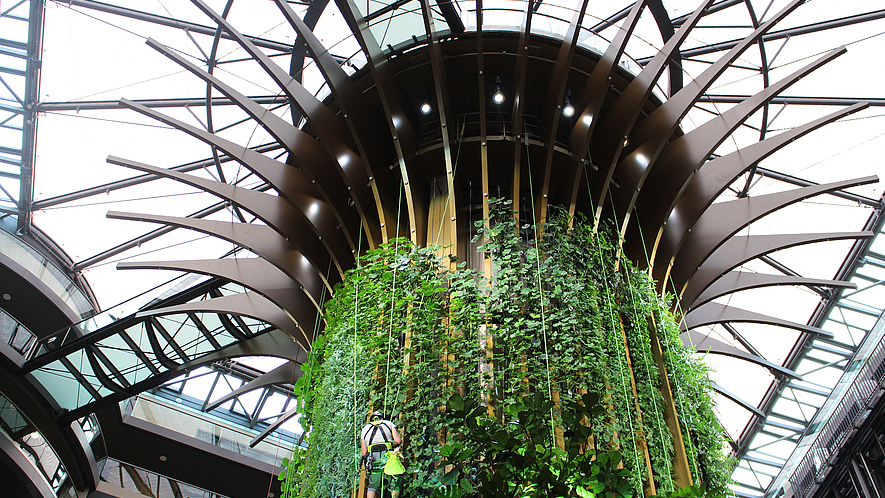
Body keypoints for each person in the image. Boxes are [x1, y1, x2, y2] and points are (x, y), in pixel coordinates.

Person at [361, 411, 403, 498]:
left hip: (373, 459)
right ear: (381, 418)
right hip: (388, 457)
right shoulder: (388, 424)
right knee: (395, 481)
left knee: (372, 486)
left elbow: (364, 452)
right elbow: (398, 441)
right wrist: (391, 445)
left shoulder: (365, 429)